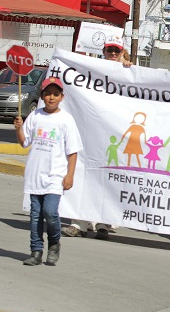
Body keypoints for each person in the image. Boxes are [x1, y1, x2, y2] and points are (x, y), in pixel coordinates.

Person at [62, 34, 130, 240]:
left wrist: (129, 67)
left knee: (108, 177)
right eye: (109, 50)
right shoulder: (91, 69)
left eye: (116, 51)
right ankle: (78, 223)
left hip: (114, 135)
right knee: (84, 174)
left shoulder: (128, 72)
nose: (112, 54)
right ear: (104, 52)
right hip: (91, 131)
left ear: (122, 53)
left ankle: (103, 224)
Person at [15, 77, 83, 265]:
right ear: (42, 96)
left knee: (50, 212)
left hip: (55, 176)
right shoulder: (35, 116)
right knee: (35, 216)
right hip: (35, 176)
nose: (51, 97)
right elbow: (24, 142)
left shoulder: (66, 119)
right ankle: (36, 251)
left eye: (55, 94)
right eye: (47, 94)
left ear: (62, 96)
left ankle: (54, 243)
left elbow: (73, 151)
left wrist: (69, 175)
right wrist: (19, 129)